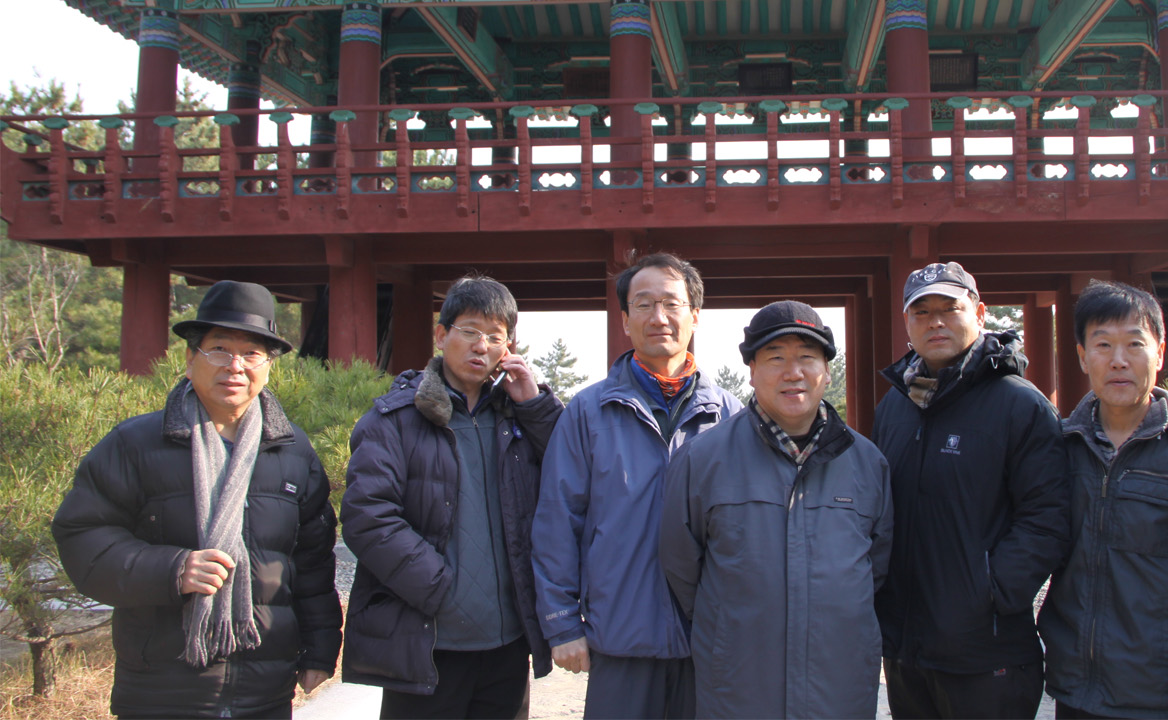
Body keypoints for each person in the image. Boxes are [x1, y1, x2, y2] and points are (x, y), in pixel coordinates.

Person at [52, 281, 340, 719]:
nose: (236, 366)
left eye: (252, 353)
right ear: (190, 360)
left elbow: (313, 559)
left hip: (264, 690)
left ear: (268, 367)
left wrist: (319, 650)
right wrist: (173, 568)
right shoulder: (135, 444)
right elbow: (82, 537)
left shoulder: (292, 450)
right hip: (162, 689)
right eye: (219, 350)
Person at [340, 275, 563, 719]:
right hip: (429, 641)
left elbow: (572, 472)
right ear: (441, 336)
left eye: (496, 336)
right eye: (470, 331)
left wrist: (534, 405)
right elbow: (368, 516)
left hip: (507, 645)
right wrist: (439, 586)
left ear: (509, 348)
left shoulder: (516, 417)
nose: (482, 346)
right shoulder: (395, 419)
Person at [532, 251, 741, 719]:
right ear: (625, 320)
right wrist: (562, 623)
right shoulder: (588, 412)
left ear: (695, 315)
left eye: (671, 303)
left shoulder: (730, 415)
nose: (658, 317)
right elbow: (557, 521)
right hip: (619, 640)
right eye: (643, 304)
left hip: (709, 643)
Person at [660, 301, 894, 719]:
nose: (793, 372)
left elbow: (875, 566)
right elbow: (682, 564)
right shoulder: (703, 458)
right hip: (738, 685)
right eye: (775, 358)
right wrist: (733, 621)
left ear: (826, 370)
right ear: (751, 370)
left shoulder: (868, 462)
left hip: (838, 686)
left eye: (807, 357)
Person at [1038, 280, 1168, 720]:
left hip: (1160, 693)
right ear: (1082, 356)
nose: (1119, 360)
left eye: (1135, 344)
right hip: (1075, 687)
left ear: (1160, 353)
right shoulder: (1060, 448)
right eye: (1103, 345)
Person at [873, 261, 1070, 719]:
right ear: (907, 322)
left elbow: (1047, 519)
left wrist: (988, 594)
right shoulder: (895, 407)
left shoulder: (1019, 404)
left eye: (950, 308)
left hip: (986, 652)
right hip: (906, 649)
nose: (936, 322)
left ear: (980, 313)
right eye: (922, 312)